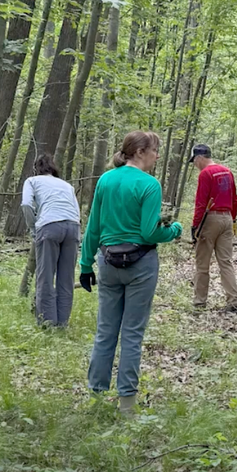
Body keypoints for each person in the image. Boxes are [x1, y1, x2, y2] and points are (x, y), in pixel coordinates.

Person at [79, 131, 182, 418]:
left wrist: (86, 265)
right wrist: (174, 230)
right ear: (139, 151)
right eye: (154, 150)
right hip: (141, 265)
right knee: (132, 334)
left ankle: (96, 398)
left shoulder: (106, 180)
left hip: (108, 263)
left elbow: (94, 227)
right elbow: (150, 231)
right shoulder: (149, 185)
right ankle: (127, 406)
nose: (156, 155)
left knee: (105, 332)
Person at [21, 154, 81, 327]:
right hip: (73, 227)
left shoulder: (32, 181)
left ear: (36, 168)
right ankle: (62, 323)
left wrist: (34, 228)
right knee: (66, 278)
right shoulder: (67, 185)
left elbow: (26, 205)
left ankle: (47, 323)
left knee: (45, 276)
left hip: (49, 226)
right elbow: (76, 210)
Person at [189, 144, 237, 314]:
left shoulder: (206, 174)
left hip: (210, 218)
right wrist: (233, 220)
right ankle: (234, 302)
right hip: (227, 218)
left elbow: (201, 202)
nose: (195, 164)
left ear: (199, 157)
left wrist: (195, 225)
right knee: (226, 262)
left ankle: (199, 303)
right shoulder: (227, 171)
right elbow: (234, 199)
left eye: (194, 161)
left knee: (202, 263)